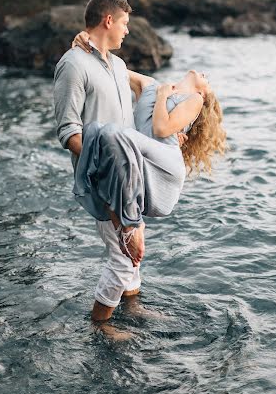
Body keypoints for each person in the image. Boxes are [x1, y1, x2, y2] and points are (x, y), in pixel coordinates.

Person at [71, 31, 227, 266]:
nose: (206, 76)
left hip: (164, 167)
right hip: (139, 164)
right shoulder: (150, 84)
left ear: (203, 93)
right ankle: (131, 290)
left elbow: (162, 128)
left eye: (208, 83)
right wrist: (87, 43)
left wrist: (164, 96)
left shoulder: (194, 100)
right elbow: (110, 69)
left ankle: (132, 225)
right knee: (100, 133)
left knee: (108, 132)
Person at [54, 0, 142, 332]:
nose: (127, 31)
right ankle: (100, 323)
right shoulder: (73, 64)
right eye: (124, 23)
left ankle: (132, 307)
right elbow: (67, 132)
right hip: (103, 178)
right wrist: (107, 162)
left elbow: (146, 93)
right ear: (108, 20)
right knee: (122, 256)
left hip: (130, 178)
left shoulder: (119, 66)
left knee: (133, 252)